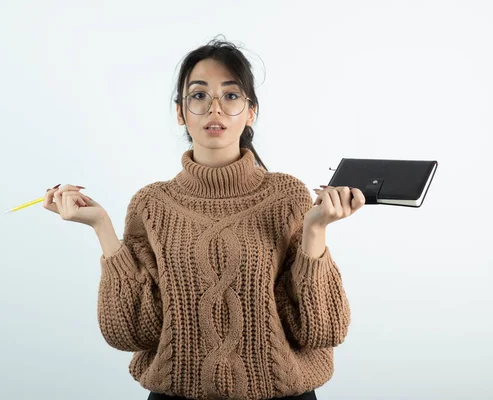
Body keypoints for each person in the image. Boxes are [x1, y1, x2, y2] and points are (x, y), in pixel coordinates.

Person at [43, 37, 365, 400]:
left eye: (231, 96)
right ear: (180, 112)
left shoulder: (287, 196)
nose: (215, 108)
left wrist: (316, 228)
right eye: (199, 96)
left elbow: (322, 331)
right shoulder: (151, 205)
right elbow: (131, 333)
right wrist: (101, 227)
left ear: (250, 112)